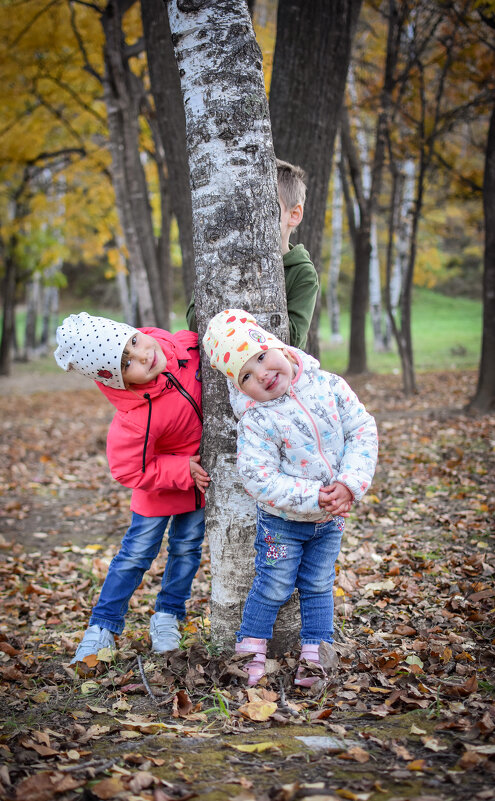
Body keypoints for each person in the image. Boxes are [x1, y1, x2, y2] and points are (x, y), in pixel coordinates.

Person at [202, 309, 378, 687]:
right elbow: (258, 478)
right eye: (246, 375)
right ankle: (249, 653)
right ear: (238, 386)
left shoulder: (329, 386)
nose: (262, 373)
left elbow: (362, 430)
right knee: (274, 585)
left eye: (262, 356)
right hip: (282, 524)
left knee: (318, 585)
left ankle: (315, 657)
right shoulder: (257, 420)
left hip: (330, 519)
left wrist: (349, 484)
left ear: (279, 347)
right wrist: (317, 495)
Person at [54, 313, 210, 663]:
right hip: (158, 491)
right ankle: (102, 627)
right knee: (136, 556)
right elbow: (127, 469)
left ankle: (168, 614)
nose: (143, 356)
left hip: (197, 487)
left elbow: (192, 338)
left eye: (135, 343)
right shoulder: (135, 415)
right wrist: (180, 469)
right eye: (127, 363)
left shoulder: (184, 349)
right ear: (117, 380)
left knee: (186, 550)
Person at [186, 159, 318, 350]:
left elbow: (291, 340)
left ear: (294, 214)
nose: (252, 218)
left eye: (265, 207)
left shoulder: (302, 272)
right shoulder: (221, 260)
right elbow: (194, 324)